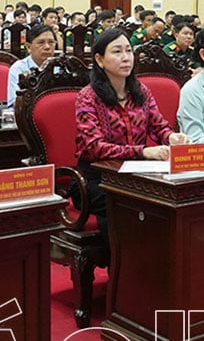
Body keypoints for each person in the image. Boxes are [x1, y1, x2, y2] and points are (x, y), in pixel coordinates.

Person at [75, 28, 190, 236]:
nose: (126, 57)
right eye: (117, 52)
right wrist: (143, 152)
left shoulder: (141, 91)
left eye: (129, 50)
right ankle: (123, 265)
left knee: (167, 205)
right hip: (97, 178)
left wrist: (172, 137)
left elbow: (158, 126)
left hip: (137, 174)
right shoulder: (88, 97)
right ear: (100, 60)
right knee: (131, 208)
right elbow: (95, 148)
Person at [7, 23, 58, 106]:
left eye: (51, 42)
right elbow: (15, 104)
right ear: (28, 47)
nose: (47, 47)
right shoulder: (18, 69)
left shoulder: (61, 67)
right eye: (41, 43)